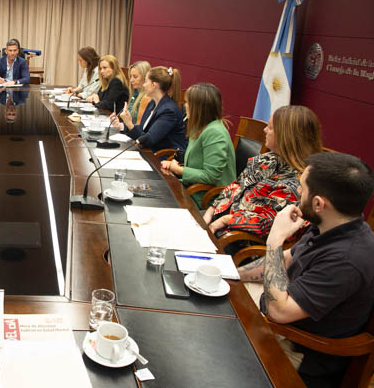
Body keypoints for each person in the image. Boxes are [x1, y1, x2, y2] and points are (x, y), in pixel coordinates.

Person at [237, 152, 374, 387]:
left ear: (319, 204)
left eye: (302, 187)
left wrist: (275, 240)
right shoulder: (331, 223)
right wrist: (231, 273)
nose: (297, 192)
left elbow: (278, 312)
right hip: (281, 315)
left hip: (300, 351)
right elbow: (288, 259)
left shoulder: (347, 260)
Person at [203, 105, 323, 239]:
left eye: (270, 127)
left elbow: (270, 224)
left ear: (285, 137)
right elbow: (237, 185)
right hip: (220, 219)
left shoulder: (298, 183)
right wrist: (211, 210)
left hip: (239, 238)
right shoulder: (266, 159)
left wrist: (226, 220)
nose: (264, 130)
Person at [160, 83, 236, 208]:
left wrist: (178, 170)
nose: (185, 106)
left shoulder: (215, 133)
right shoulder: (199, 127)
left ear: (199, 107)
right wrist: (175, 166)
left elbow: (210, 176)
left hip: (207, 199)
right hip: (193, 189)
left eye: (188, 102)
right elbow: (198, 163)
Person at [112, 66, 187, 153]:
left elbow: (148, 140)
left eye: (146, 81)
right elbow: (143, 129)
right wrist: (121, 125)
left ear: (154, 85)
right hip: (150, 152)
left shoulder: (169, 111)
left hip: (164, 157)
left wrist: (129, 123)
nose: (143, 85)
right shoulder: (152, 103)